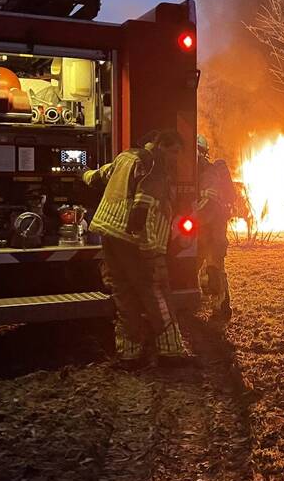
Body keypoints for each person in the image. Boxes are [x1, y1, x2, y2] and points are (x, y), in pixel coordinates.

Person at [83, 129, 193, 367]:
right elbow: (142, 208)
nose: (175, 158)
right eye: (174, 152)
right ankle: (171, 352)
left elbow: (99, 175)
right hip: (134, 240)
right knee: (156, 292)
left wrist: (83, 175)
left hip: (109, 232)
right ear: (161, 144)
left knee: (123, 292)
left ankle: (129, 354)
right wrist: (147, 247)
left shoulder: (126, 157)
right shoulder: (156, 165)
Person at [194, 134, 235, 320]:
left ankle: (221, 309)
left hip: (211, 233)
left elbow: (209, 205)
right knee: (206, 269)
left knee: (214, 270)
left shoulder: (208, 173)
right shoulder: (195, 172)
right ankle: (216, 306)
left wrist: (191, 219)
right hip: (204, 233)